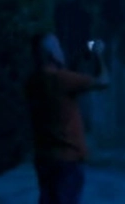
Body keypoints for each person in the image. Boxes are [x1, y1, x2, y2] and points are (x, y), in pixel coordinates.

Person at [26, 33, 110, 204]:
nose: (61, 50)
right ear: (52, 54)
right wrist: (99, 55)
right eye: (58, 47)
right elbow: (103, 81)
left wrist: (79, 58)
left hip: (44, 157)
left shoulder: (33, 82)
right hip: (67, 159)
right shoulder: (62, 80)